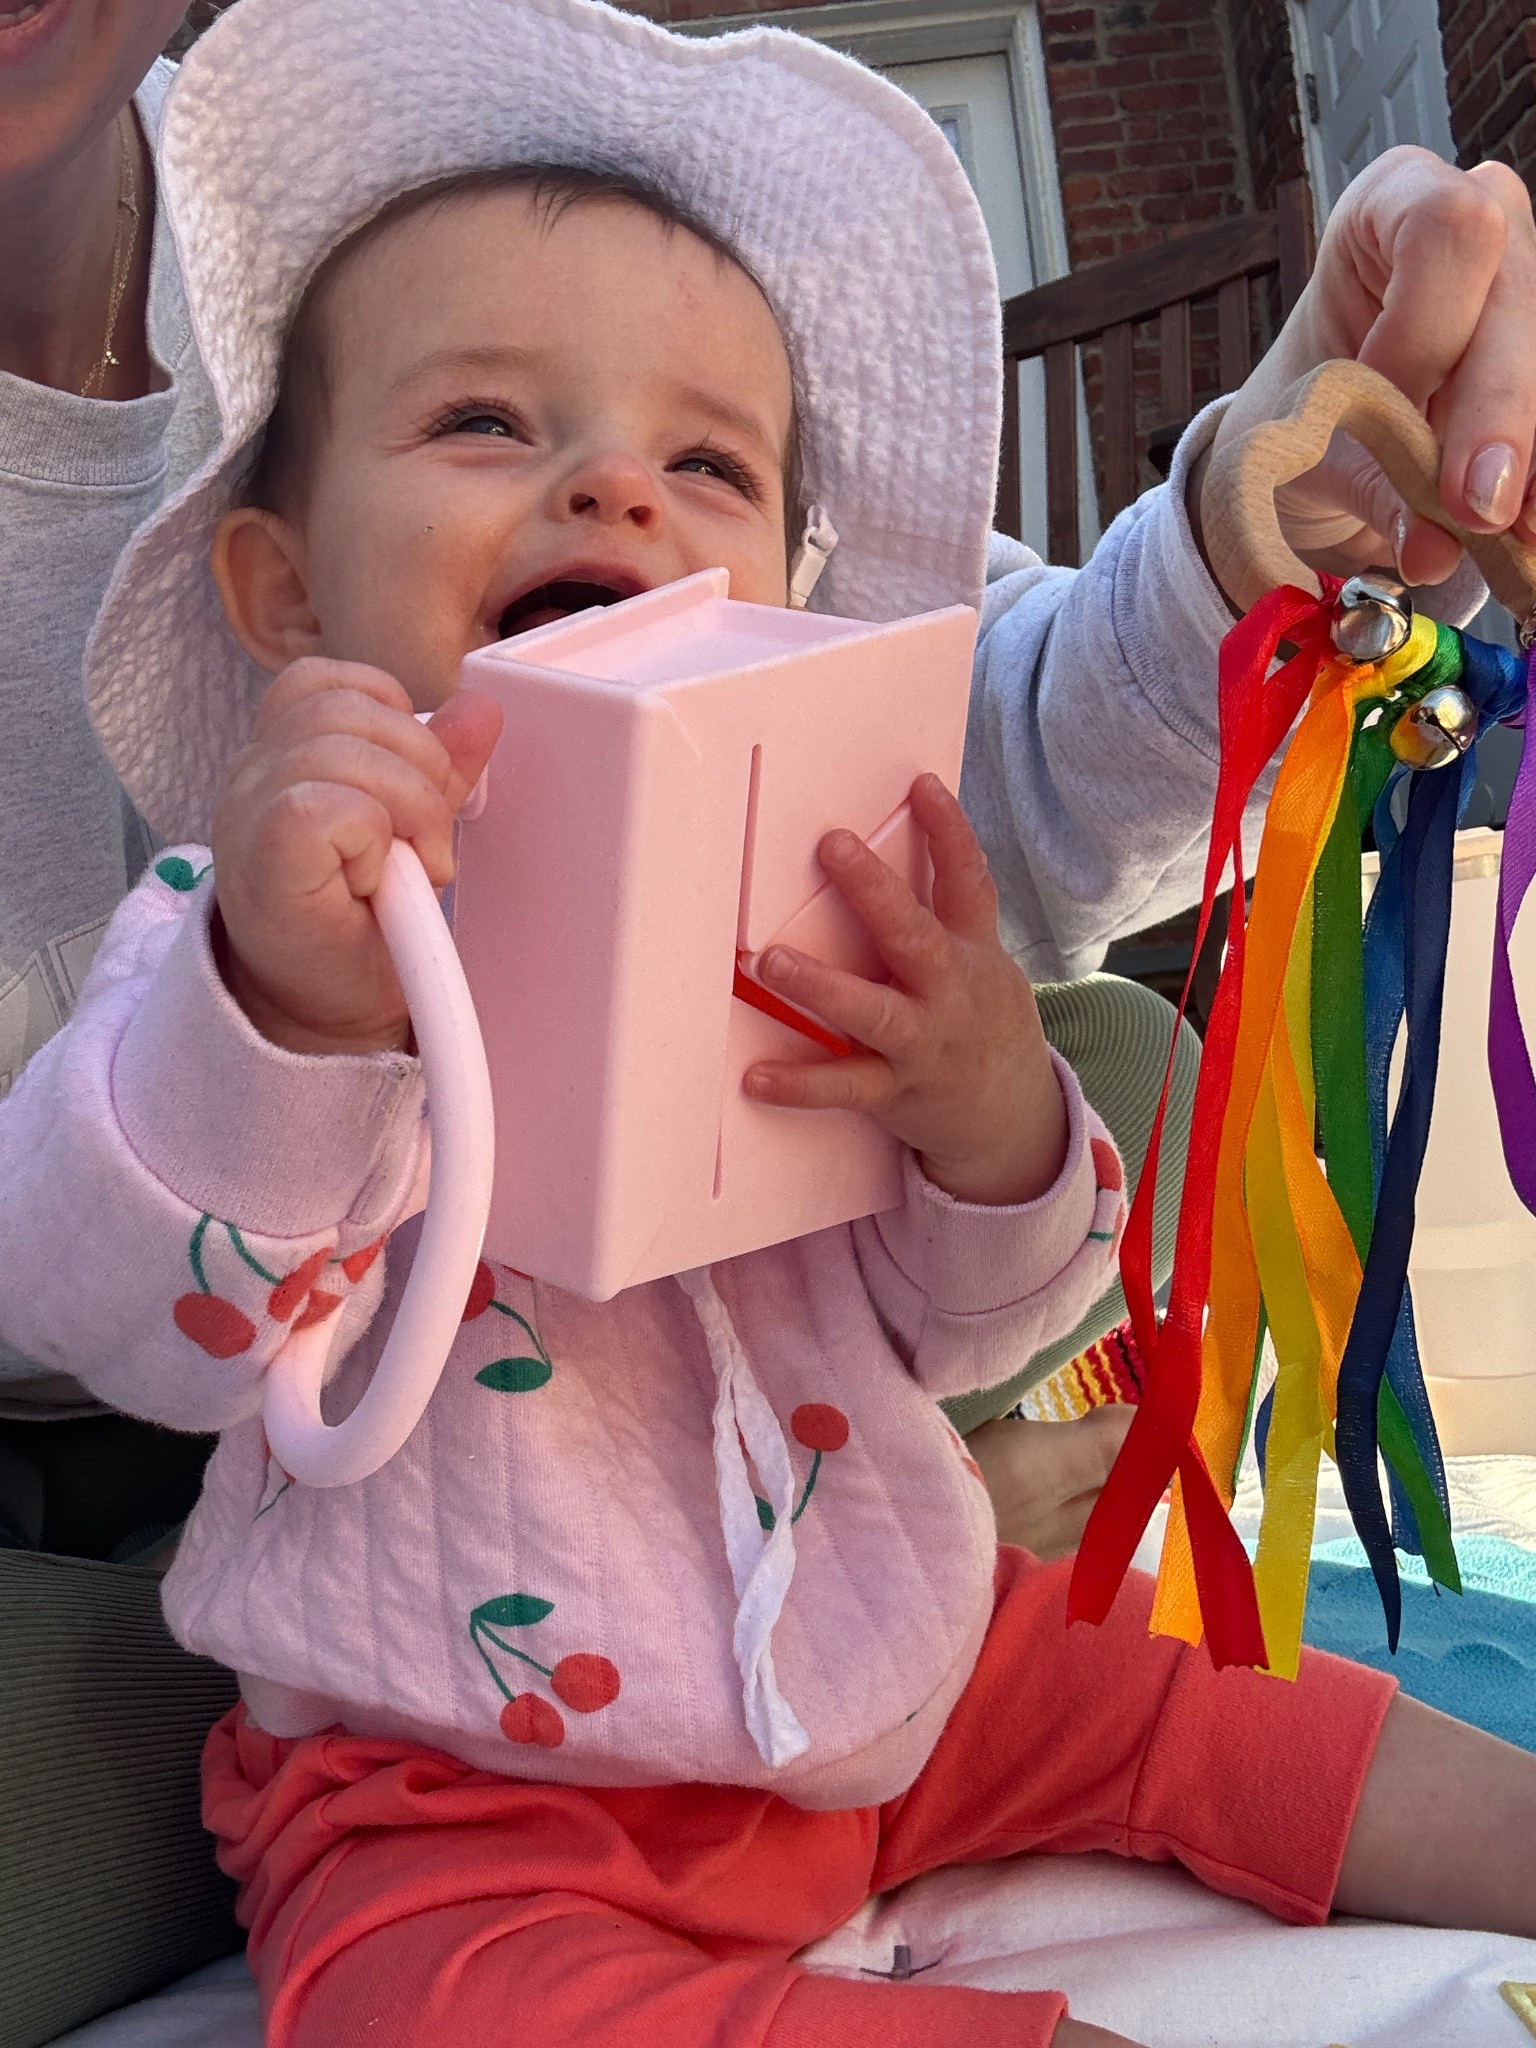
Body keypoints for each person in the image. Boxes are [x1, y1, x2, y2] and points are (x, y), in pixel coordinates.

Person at [5, 4, 1535, 2045]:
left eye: (706, 462)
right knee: (419, 2001)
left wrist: (984, 1118)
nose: (617, 488)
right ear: (281, 591)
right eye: (485, 424)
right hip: (458, 1778)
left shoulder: (781, 879)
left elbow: (979, 1316)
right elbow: (121, 1300)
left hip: (862, 1644)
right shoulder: (252, 936)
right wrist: (281, 1015)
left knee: (1208, 1703)